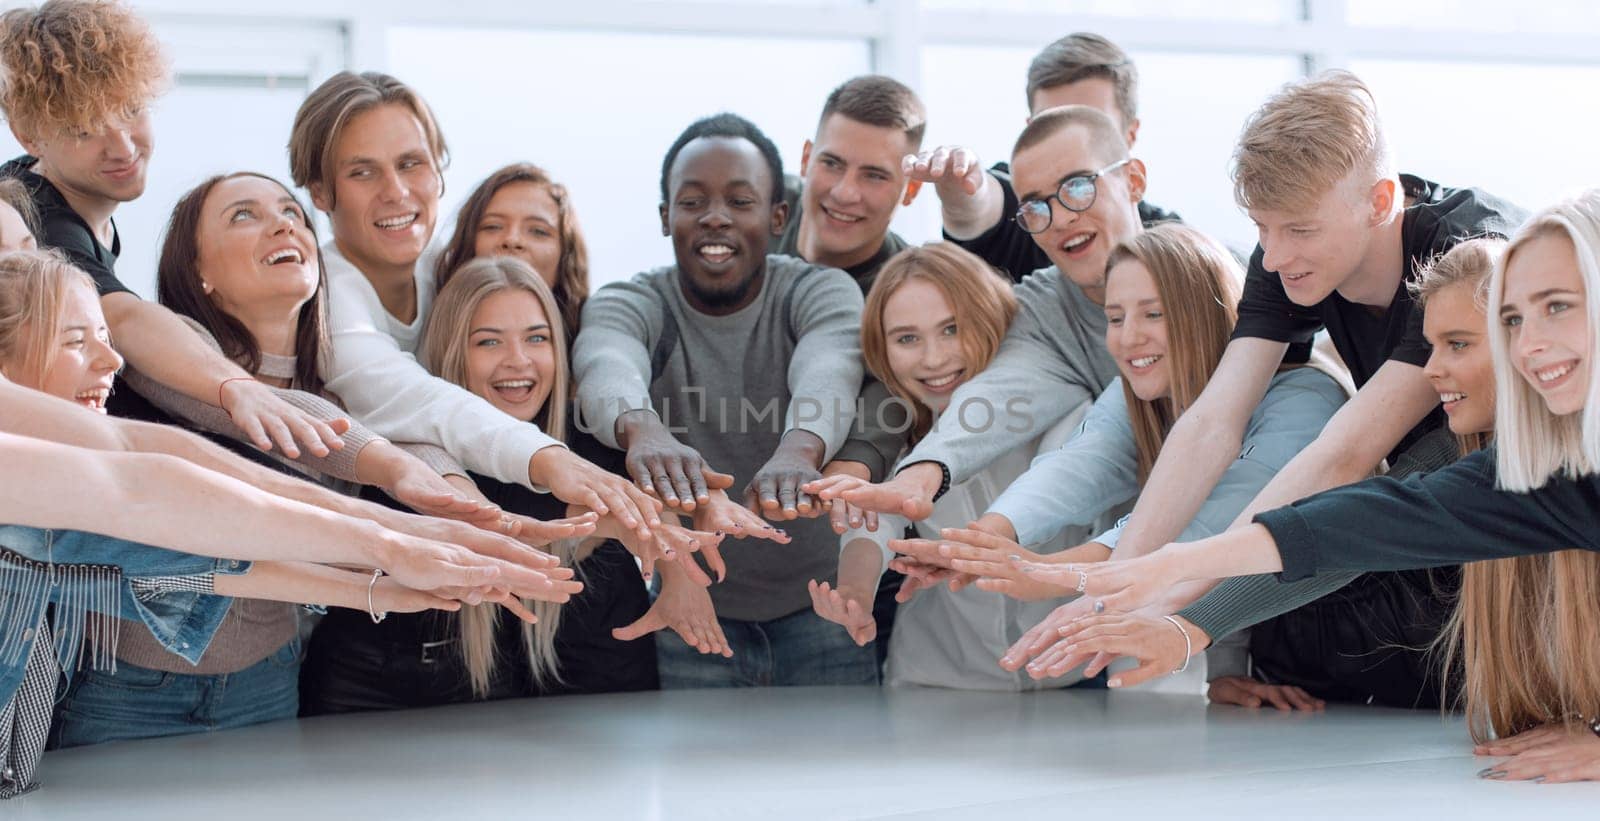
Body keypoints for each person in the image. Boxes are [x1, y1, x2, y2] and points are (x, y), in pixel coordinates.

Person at [1055, 190, 1600, 783]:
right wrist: (1178, 583)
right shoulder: (1532, 467)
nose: (1529, 343)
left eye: (1558, 307)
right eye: (1516, 319)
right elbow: (1363, 523)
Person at [999, 70, 1525, 680]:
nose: (1273, 258)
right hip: (1442, 499)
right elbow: (1211, 425)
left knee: (1412, 475)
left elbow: (1345, 455)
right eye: (1259, 229)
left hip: (1511, 464)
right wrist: (1119, 582)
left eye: (1300, 230)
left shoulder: (1461, 252)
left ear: (1380, 202)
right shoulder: (1287, 254)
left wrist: (1179, 594)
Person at [821, 225, 1344, 689]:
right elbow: (1081, 466)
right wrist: (987, 544)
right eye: (1115, 317)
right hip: (961, 677)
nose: (1128, 337)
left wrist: (1048, 571)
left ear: (1208, 311)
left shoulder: (1304, 399)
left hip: (1334, 651)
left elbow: (1211, 529)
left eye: (1153, 313)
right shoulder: (1136, 394)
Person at [1028, 238, 1501, 710]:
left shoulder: (1307, 397)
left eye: (1457, 344)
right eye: (1431, 346)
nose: (1431, 369)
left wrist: (1178, 609)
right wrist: (1201, 638)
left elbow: (1308, 524)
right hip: (1333, 675)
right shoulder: (1447, 448)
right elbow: (1345, 533)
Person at [301, 257, 720, 711]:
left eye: (537, 338)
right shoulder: (410, 446)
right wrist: (614, 525)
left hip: (509, 721)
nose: (517, 361)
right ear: (452, 350)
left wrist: (700, 514)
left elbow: (651, 500)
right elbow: (493, 516)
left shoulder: (589, 448)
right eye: (488, 342)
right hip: (367, 702)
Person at [287, 70, 664, 541]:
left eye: (411, 164)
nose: (397, 191)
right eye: (362, 172)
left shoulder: (446, 275)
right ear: (320, 192)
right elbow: (411, 401)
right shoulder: (321, 293)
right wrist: (550, 461)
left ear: (439, 171)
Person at [574, 112, 873, 687]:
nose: (715, 218)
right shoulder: (630, 300)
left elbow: (830, 368)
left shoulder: (818, 290)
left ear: (777, 215)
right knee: (698, 779)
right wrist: (644, 430)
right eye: (692, 202)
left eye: (740, 201)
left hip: (824, 611)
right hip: (693, 614)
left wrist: (799, 450)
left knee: (843, 775)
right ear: (666, 217)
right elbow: (606, 361)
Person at [0, 0, 345, 459]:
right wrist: (235, 388)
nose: (122, 147)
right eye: (85, 130)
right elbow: (121, 317)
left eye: (131, 109)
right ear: (30, 135)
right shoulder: (30, 211)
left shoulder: (70, 203)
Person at [809, 106, 1141, 533]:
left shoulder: (1217, 278)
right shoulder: (1042, 308)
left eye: (1077, 187)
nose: (1060, 218)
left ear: (1133, 180)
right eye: (1036, 206)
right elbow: (996, 397)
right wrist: (922, 473)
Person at [804, 241, 1104, 689]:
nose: (934, 358)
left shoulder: (1063, 407)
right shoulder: (892, 431)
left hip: (1075, 676)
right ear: (881, 348)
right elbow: (874, 522)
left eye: (951, 329)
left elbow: (1089, 513)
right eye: (907, 338)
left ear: (990, 319)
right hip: (938, 680)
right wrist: (856, 590)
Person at [903, 32, 1180, 283]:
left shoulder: (1173, 244)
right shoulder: (1023, 203)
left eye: (1089, 122)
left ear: (1130, 135)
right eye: (1049, 123)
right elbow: (980, 203)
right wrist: (959, 189)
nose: (1060, 218)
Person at [433, 163, 589, 349]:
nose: (512, 240)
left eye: (538, 231)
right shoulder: (421, 351)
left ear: (564, 256)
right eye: (493, 226)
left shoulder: (595, 343)